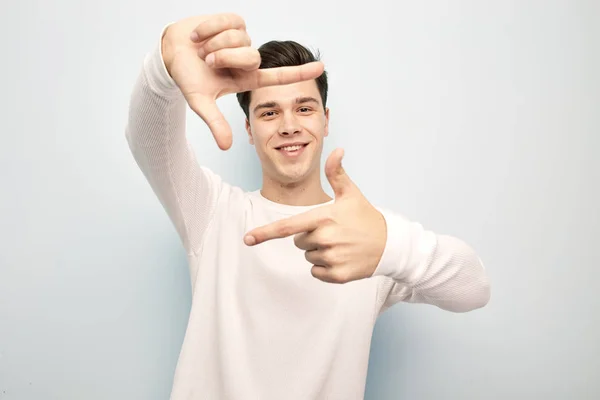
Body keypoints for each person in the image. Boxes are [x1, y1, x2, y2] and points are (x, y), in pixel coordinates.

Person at [125, 12, 491, 400]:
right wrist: (164, 67)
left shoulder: (365, 234)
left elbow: (474, 289)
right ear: (248, 128)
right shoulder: (213, 213)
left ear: (325, 120)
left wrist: (390, 247)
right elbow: (146, 140)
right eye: (269, 112)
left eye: (304, 108)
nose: (288, 126)